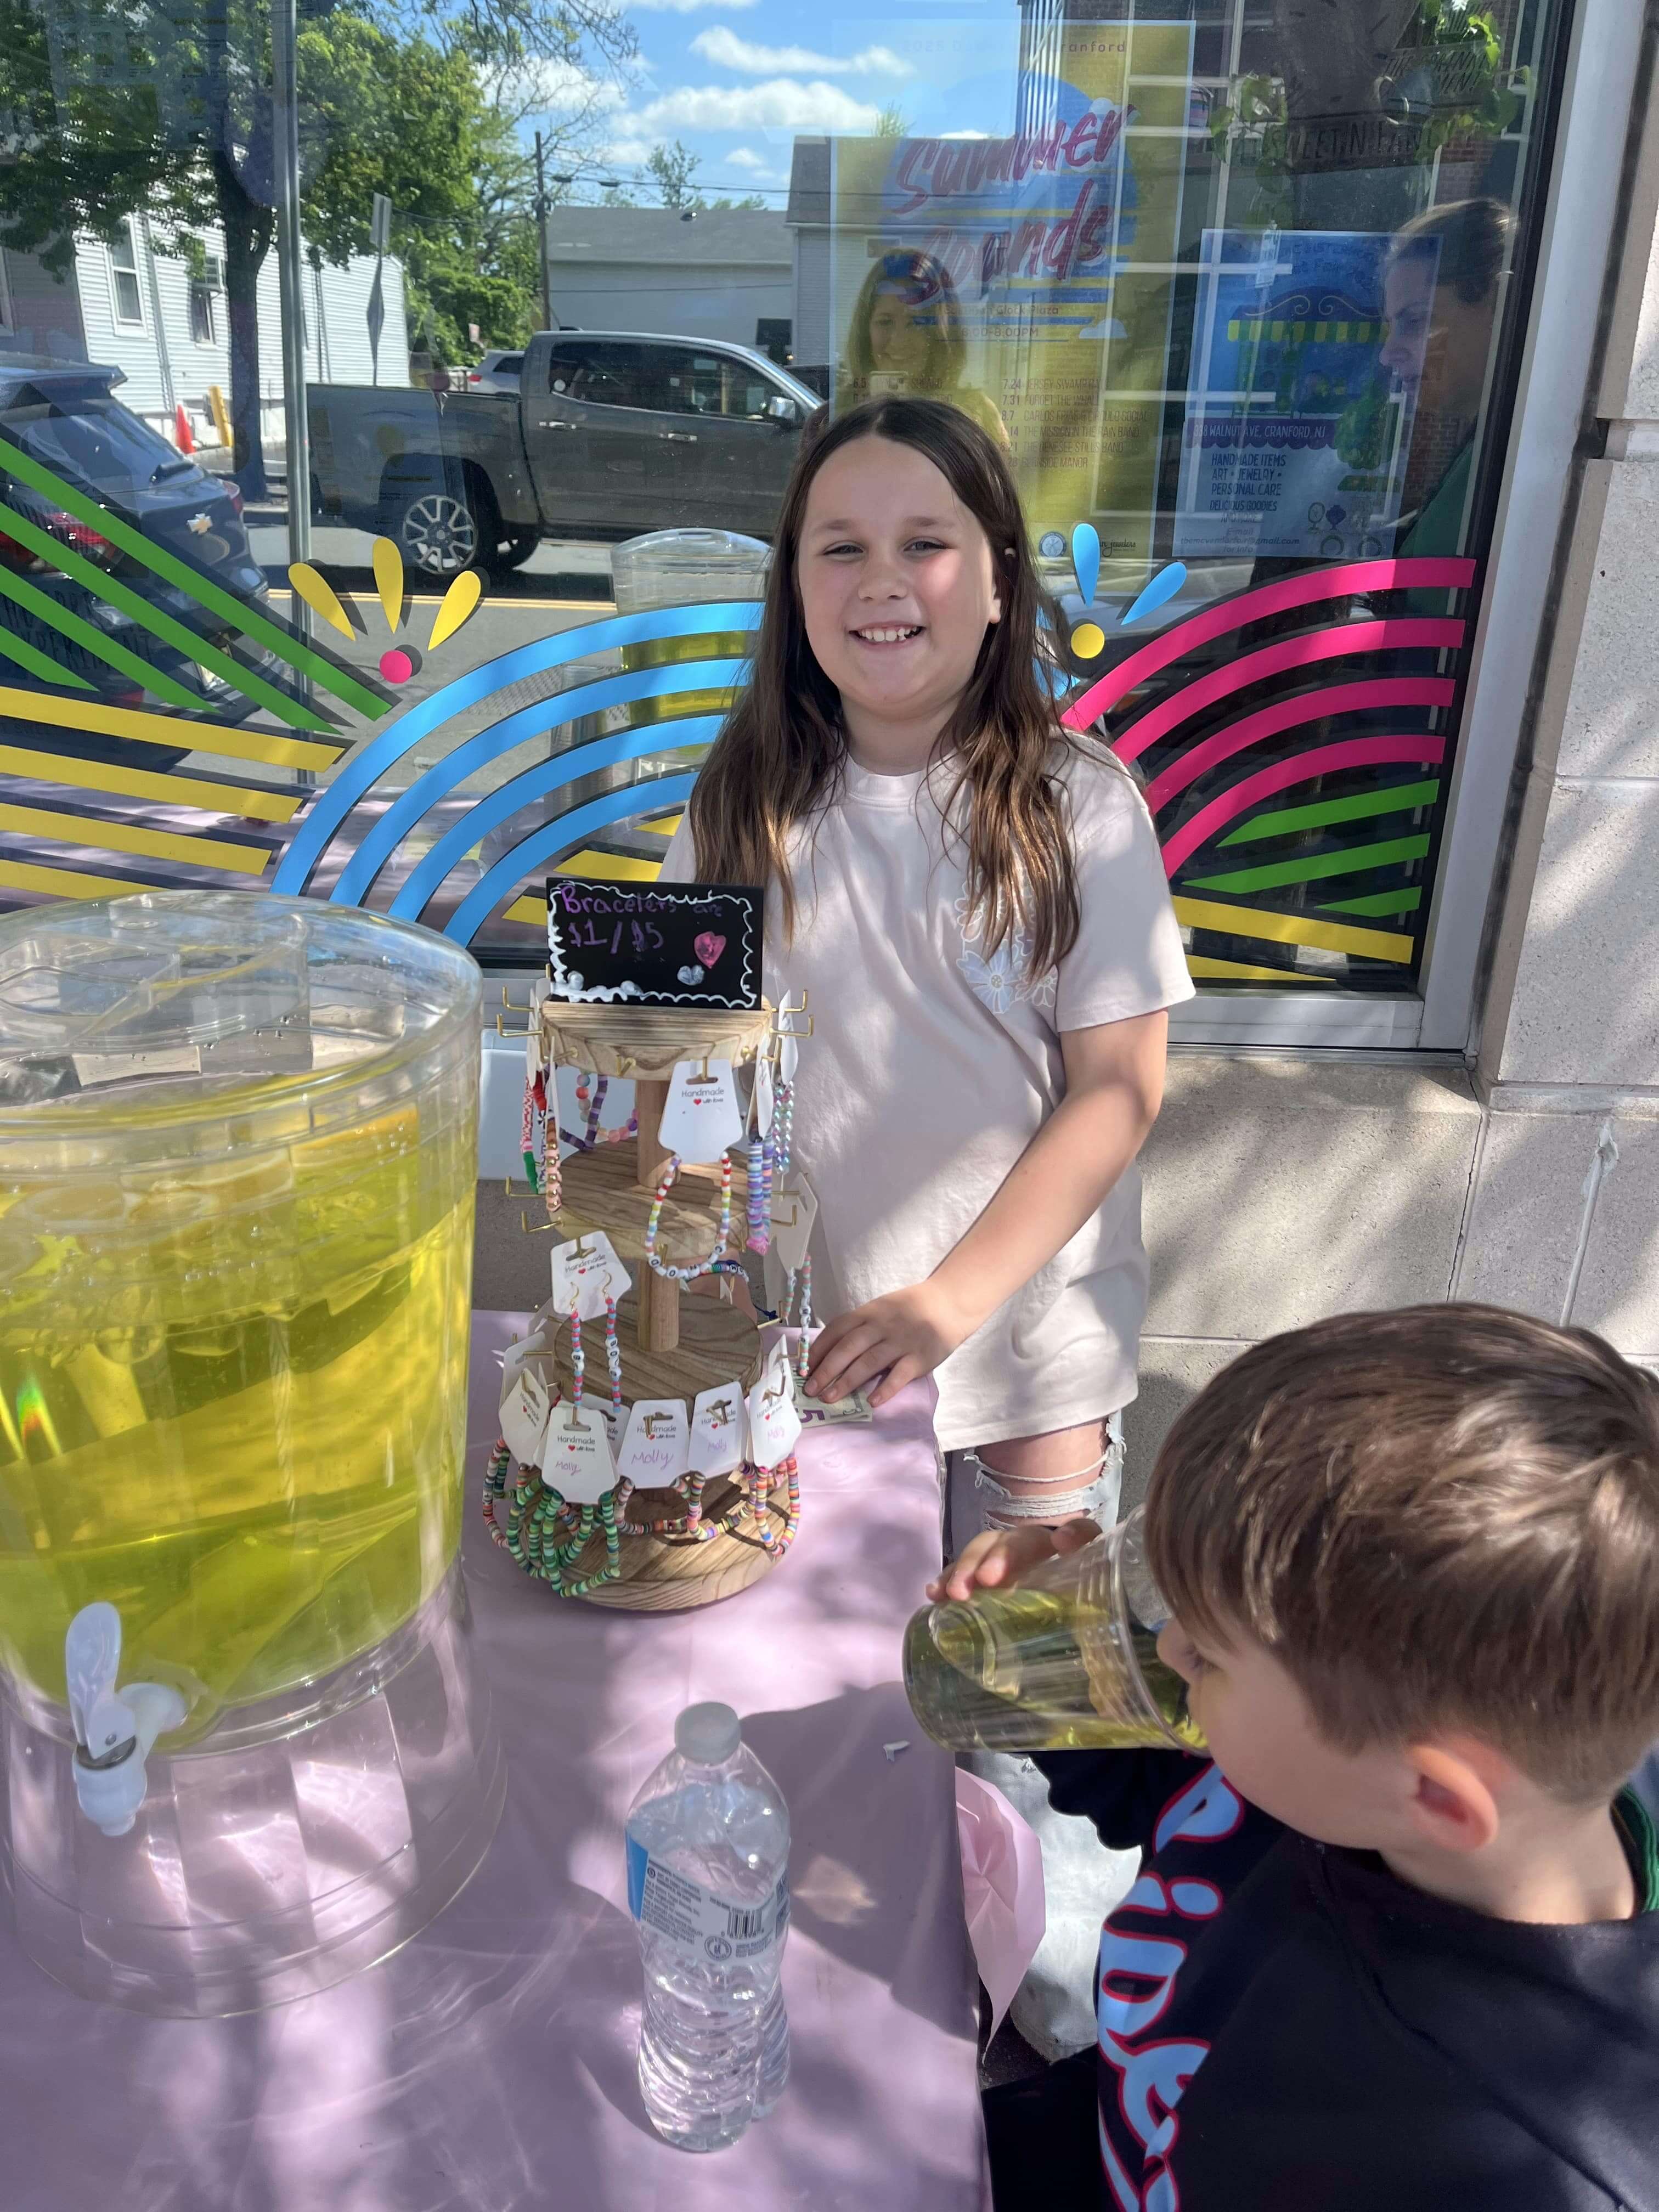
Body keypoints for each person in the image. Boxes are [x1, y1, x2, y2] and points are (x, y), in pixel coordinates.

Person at [946, 1304, 1659, 2212]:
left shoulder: (1505, 2162)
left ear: (1436, 1795)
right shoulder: (1349, 1770)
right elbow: (1173, 1801)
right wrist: (1058, 1674)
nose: (1166, 1655)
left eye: (1204, 1654)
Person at [664, 394, 1192, 1541]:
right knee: (837, 1698)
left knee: (1011, 1696)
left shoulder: (1080, 806)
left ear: (1000, 581)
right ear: (795, 588)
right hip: (810, 1355)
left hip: (1030, 1368)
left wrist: (946, 1305)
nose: (882, 580)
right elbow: (675, 1058)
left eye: (927, 545)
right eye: (840, 547)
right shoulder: (737, 809)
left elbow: (1120, 1089)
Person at [1381, 196, 1514, 560]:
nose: (1388, 354)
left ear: (1500, 305)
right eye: (1392, 327)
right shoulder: (1488, 449)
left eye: (1416, 320)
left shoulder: (1515, 465)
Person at [837, 249, 1009, 445]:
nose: (900, 340)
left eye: (916, 322)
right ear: (865, 331)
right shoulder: (833, 417)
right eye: (885, 322)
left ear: (942, 333)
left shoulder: (979, 415)